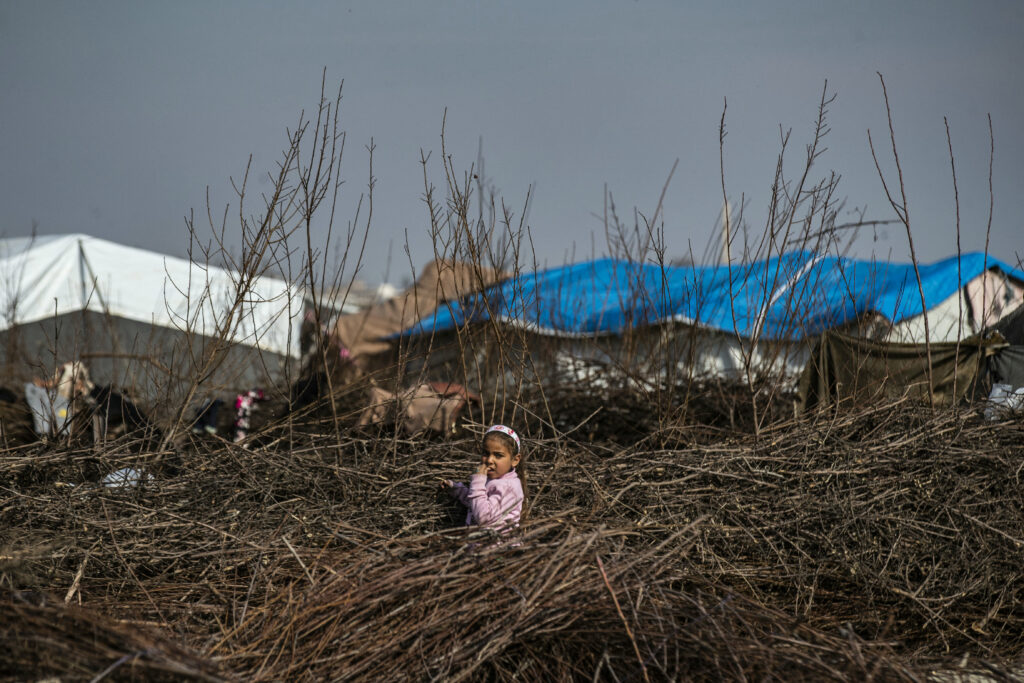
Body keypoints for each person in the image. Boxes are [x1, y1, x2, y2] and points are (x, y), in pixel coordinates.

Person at [440, 424, 525, 533]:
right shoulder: (494, 479)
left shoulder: (508, 487)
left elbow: (483, 517)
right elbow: (476, 503)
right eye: (486, 453)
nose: (489, 460)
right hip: (479, 545)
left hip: (496, 547)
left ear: (515, 460)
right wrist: (456, 489)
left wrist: (477, 481)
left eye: (498, 455)